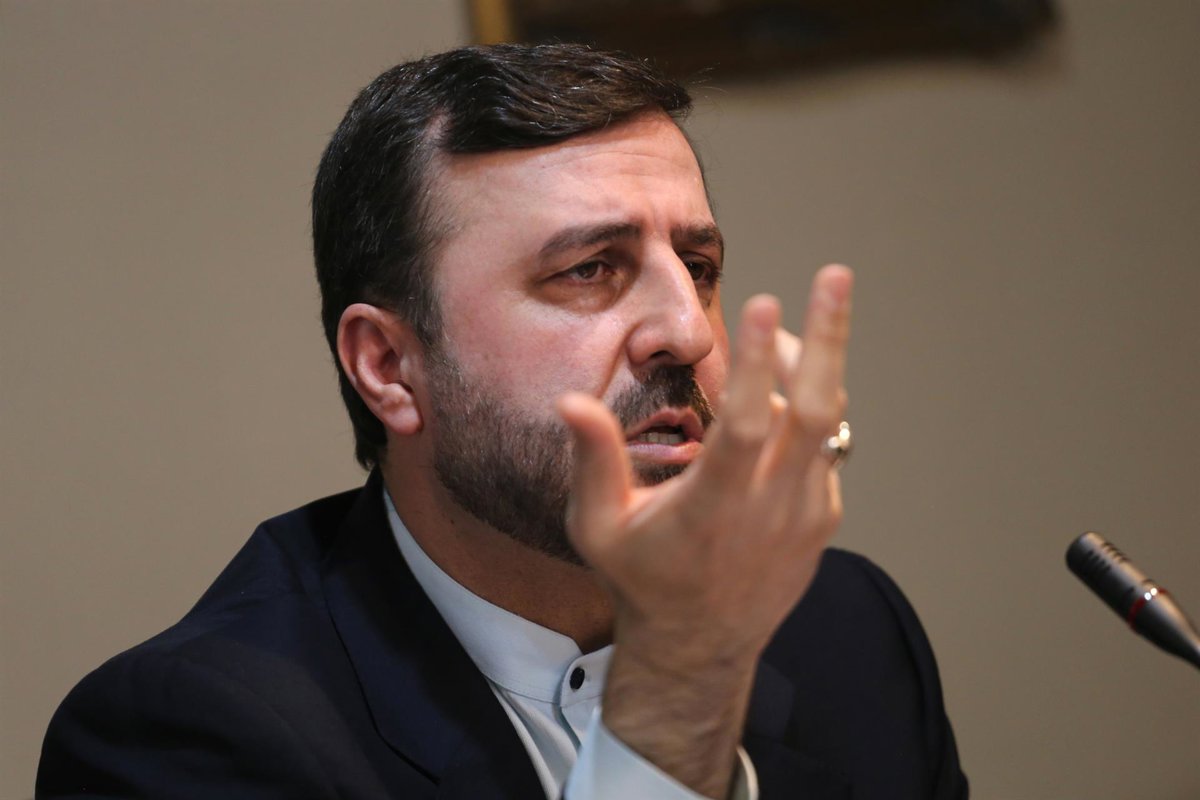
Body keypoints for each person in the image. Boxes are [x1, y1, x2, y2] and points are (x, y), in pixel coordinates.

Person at [37, 43, 967, 799]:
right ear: (389, 366)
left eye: (699, 267)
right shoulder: (191, 736)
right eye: (589, 270)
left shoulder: (846, 629)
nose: (687, 331)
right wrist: (681, 678)